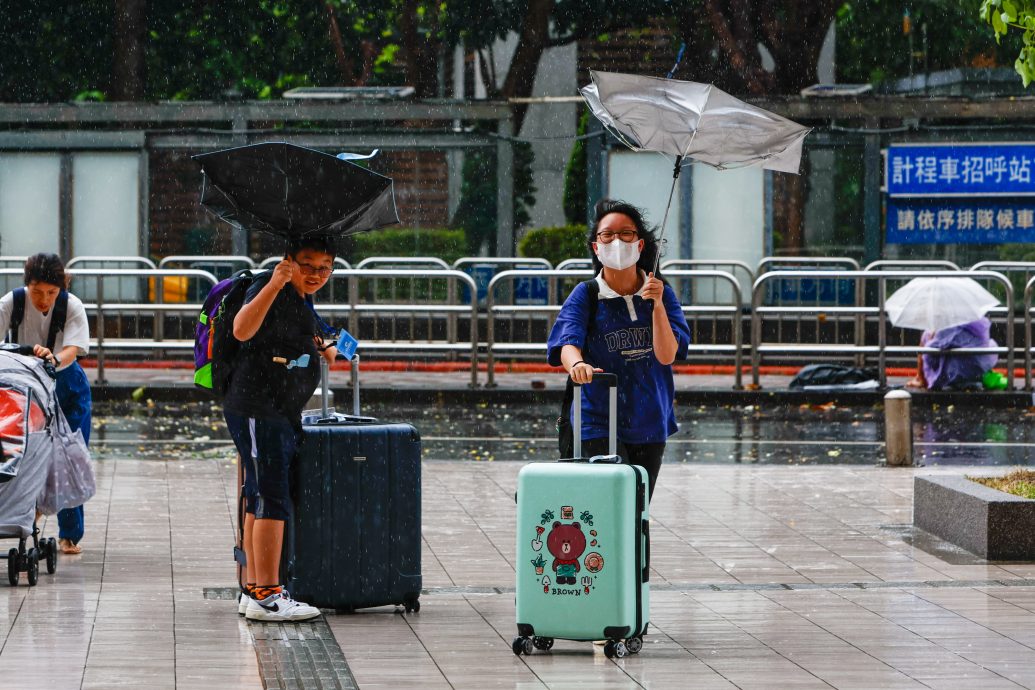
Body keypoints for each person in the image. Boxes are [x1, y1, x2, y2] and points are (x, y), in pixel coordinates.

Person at [223, 235, 338, 622]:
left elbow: (301, 332)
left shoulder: (302, 296)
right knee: (272, 497)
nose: (316, 274)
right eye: (307, 265)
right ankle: (268, 595)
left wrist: (325, 344)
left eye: (325, 267)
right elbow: (241, 330)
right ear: (289, 260)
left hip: (276, 410)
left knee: (261, 494)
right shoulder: (269, 284)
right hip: (259, 408)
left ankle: (255, 588)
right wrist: (275, 282)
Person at [547, 199, 691, 499]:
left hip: (650, 418)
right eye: (607, 235)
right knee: (609, 507)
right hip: (597, 419)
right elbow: (566, 341)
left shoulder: (662, 293)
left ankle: (636, 548)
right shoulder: (586, 293)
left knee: (637, 510)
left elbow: (667, 354)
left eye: (626, 234)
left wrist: (657, 306)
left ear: (640, 245)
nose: (616, 241)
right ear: (596, 247)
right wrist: (577, 366)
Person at [0, 253, 91, 554]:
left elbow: (74, 349)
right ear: (27, 285)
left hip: (67, 384)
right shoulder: (11, 303)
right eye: (37, 292)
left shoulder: (72, 305)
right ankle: (24, 516)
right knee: (25, 452)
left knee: (69, 455)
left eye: (51, 293)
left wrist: (52, 359)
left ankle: (70, 534)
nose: (44, 299)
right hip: (23, 386)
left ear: (61, 288)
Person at [906, 317, 998, 391]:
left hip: (959, 370)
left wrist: (929, 338)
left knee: (927, 341)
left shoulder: (949, 327)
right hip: (979, 366)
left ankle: (922, 380)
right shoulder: (972, 320)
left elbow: (929, 355)